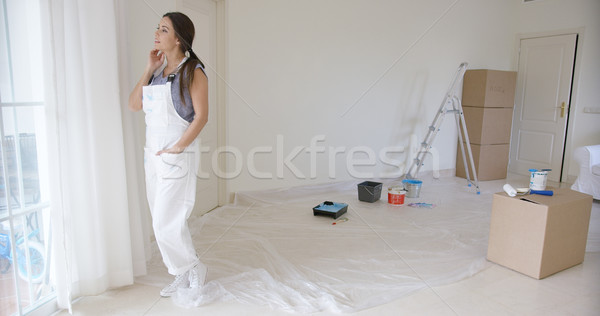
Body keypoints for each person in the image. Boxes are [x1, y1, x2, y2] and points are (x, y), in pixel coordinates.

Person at [128, 12, 208, 297]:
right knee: (162, 220)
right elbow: (134, 105)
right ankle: (183, 273)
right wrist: (148, 69)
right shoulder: (158, 73)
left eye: (164, 30)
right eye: (157, 28)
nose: (157, 33)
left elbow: (201, 117)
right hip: (152, 157)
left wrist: (177, 148)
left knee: (166, 221)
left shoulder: (193, 71)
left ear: (177, 38)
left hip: (176, 155)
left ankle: (194, 268)